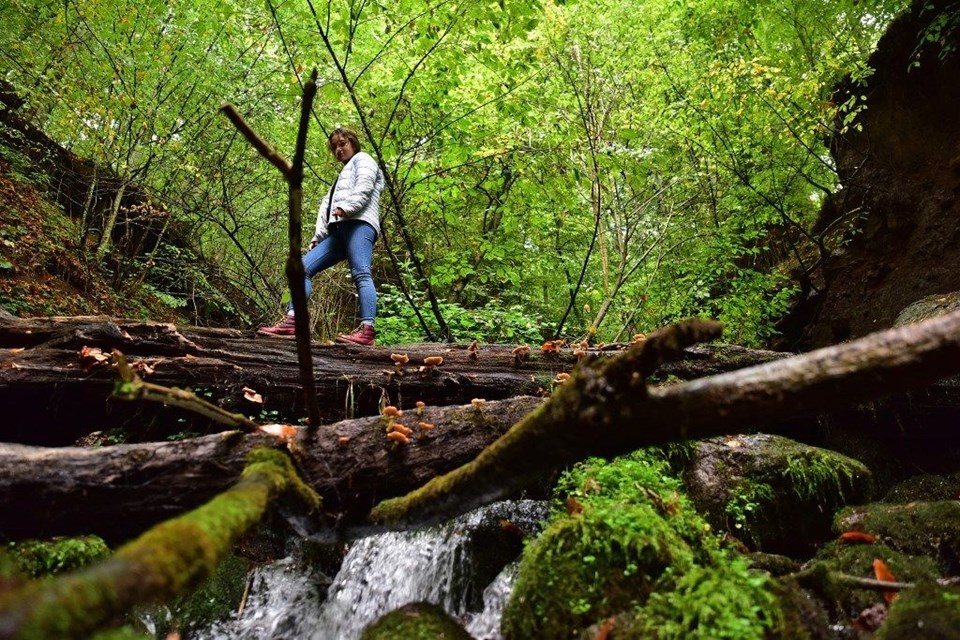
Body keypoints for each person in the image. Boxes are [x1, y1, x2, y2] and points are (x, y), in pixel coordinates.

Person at [258, 127, 385, 346]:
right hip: (339, 229)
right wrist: (320, 235)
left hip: (360, 224)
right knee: (302, 268)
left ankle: (367, 330)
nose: (338, 148)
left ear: (353, 143)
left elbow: (364, 187)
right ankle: (292, 322)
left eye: (342, 143)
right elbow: (327, 208)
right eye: (335, 146)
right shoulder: (340, 177)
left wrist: (347, 207)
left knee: (361, 272)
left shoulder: (363, 159)